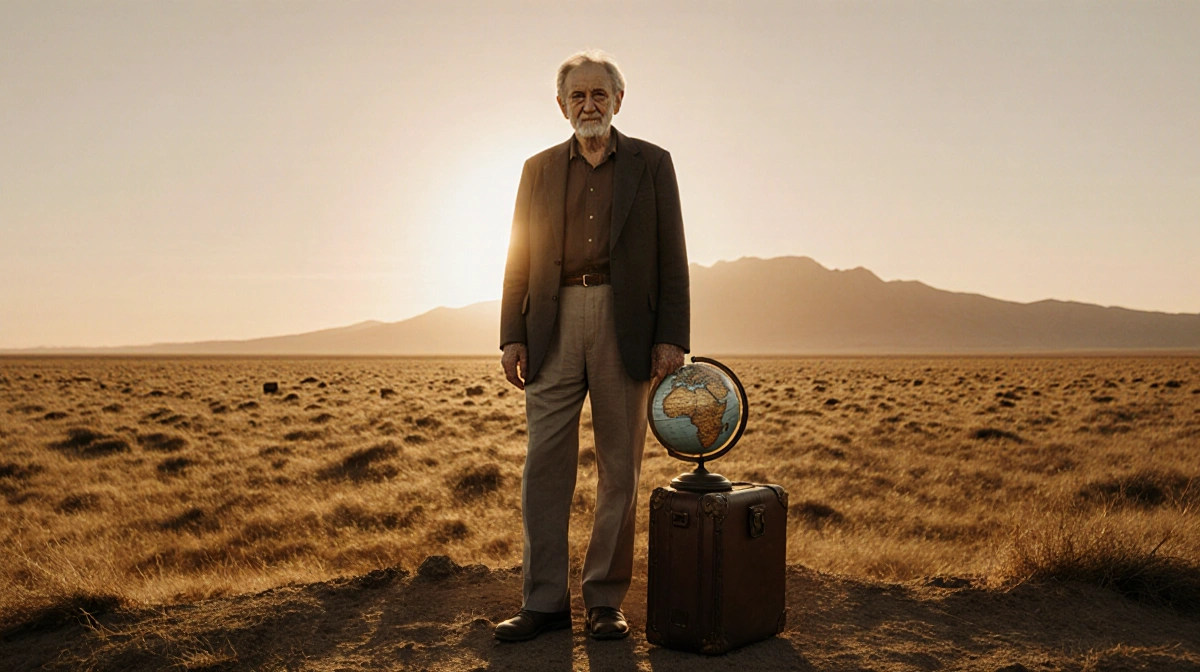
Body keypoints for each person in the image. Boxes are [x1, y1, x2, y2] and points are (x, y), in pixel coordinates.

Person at [495, 50, 690, 642]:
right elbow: (517, 255)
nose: (589, 105)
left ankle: (605, 599)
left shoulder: (653, 164)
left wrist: (671, 337)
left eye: (599, 94)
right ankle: (544, 601)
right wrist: (510, 333)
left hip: (623, 321)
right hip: (549, 321)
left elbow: (672, 257)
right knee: (543, 469)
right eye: (577, 96)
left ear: (618, 100)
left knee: (620, 470)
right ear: (561, 105)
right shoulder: (538, 169)